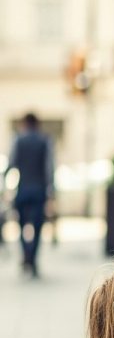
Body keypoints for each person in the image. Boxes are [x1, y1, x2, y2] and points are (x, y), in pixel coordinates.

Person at [4, 112, 54, 277]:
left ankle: (26, 254)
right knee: (38, 227)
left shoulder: (19, 140)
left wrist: (5, 186)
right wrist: (51, 190)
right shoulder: (45, 141)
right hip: (39, 190)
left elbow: (11, 164)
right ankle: (31, 258)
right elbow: (49, 168)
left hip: (23, 189)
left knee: (21, 225)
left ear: (25, 124)